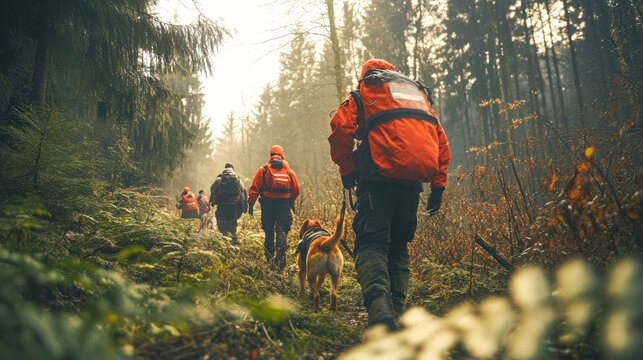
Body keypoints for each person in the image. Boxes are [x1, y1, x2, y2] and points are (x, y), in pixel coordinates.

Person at [328, 59, 451, 331]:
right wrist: (438, 186)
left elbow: (340, 129)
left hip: (376, 180)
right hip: (412, 183)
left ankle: (380, 314)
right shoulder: (417, 97)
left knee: (371, 243)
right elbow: (440, 141)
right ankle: (397, 312)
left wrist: (347, 170)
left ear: (366, 76)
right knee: (398, 245)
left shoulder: (364, 93)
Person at [248, 145, 300, 271]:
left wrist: (251, 204)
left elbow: (255, 188)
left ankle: (270, 260)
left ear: (270, 155)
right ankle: (281, 258)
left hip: (267, 204)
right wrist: (290, 200)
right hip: (284, 205)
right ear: (282, 155)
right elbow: (296, 189)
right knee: (281, 230)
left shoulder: (263, 170)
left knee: (269, 231)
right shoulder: (289, 171)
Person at [210, 163, 246, 244]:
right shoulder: (238, 179)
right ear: (233, 169)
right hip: (234, 206)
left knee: (221, 221)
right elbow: (243, 192)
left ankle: (225, 239)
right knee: (233, 221)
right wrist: (244, 206)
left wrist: (212, 202)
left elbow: (213, 190)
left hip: (222, 205)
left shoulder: (219, 180)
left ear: (225, 169)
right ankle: (233, 239)